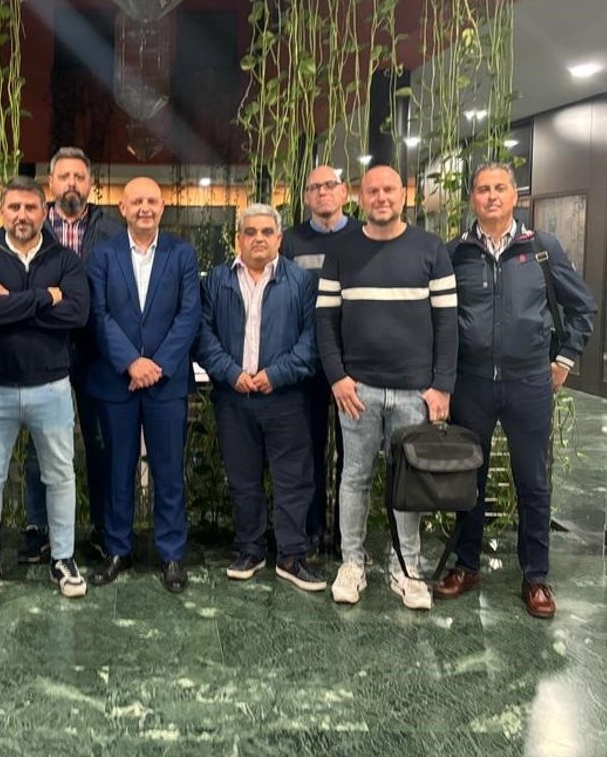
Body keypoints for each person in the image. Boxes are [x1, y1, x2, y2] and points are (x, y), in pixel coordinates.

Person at [436, 162, 596, 619]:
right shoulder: (455, 253)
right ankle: (467, 565)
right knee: (468, 478)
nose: (491, 196)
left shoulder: (541, 249)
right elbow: (439, 317)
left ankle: (536, 576)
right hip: (471, 383)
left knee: (532, 481)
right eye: (482, 189)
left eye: (499, 188)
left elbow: (583, 307)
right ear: (472, 198)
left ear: (514, 196)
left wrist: (564, 359)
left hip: (528, 383)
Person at [316, 164, 458, 611]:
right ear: (360, 197)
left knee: (408, 482)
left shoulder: (431, 249)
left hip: (415, 392)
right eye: (373, 191)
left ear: (403, 195)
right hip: (358, 391)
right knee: (354, 477)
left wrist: (441, 386)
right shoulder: (341, 252)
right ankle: (352, 563)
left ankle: (406, 568)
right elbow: (325, 321)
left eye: (389, 190)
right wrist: (338, 377)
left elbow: (447, 324)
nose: (381, 197)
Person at [0, 177, 91, 602]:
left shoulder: (65, 259)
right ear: (2, 210)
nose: (22, 215)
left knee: (60, 476)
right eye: (14, 207)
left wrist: (12, 300)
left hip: (51, 389)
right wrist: (45, 297)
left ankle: (64, 558)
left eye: (31, 207)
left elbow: (77, 314)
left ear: (44, 212)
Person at [196, 204, 324, 591]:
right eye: (250, 232)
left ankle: (292, 555)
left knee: (293, 479)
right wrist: (231, 374)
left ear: (279, 239)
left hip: (285, 397)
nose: (258, 239)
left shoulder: (301, 282)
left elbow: (312, 342)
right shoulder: (216, 280)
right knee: (243, 479)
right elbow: (202, 335)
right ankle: (250, 549)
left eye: (267, 232)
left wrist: (275, 374)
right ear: (238, 238)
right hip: (233, 397)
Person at [86, 177, 201, 594]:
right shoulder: (102, 255)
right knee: (118, 469)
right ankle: (118, 549)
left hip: (166, 383)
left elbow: (189, 315)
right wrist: (131, 363)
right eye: (136, 201)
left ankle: (171, 554)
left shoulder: (182, 254)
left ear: (162, 206)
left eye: (152, 201)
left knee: (169, 471)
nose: (145, 208)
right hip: (116, 380)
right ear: (122, 208)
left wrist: (157, 365)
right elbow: (98, 315)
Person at [19, 147, 123, 564]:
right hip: (45, 349)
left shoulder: (112, 230)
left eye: (80, 177)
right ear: (51, 184)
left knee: (101, 442)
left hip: (99, 351)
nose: (72, 184)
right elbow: (19, 290)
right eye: (64, 177)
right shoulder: (30, 225)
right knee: (39, 445)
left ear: (91, 184)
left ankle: (102, 527)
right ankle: (37, 528)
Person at [280, 164, 360, 554]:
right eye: (315, 187)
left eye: (330, 185)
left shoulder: (364, 235)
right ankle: (311, 529)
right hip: (306, 361)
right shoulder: (290, 241)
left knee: (353, 455)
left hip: (354, 361)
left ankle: (347, 536)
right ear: (305, 197)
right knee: (307, 449)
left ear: (344, 192)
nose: (323, 192)